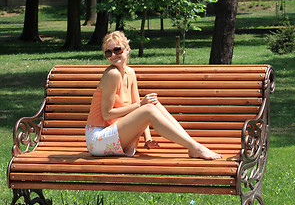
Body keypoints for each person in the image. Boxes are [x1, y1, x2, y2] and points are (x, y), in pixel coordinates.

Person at [85, 31, 222, 160]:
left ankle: (193, 146)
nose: (113, 55)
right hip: (98, 139)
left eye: (117, 50)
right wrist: (140, 104)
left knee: (153, 103)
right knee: (148, 107)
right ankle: (195, 147)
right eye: (108, 52)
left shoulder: (130, 73)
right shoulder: (112, 74)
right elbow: (107, 114)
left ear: (127, 49)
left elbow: (139, 108)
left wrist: (148, 138)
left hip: (116, 136)